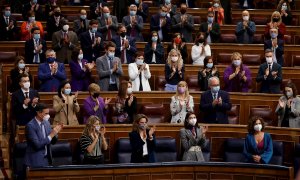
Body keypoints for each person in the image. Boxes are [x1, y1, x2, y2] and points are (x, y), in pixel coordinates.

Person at [23, 103, 63, 168]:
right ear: (39, 113)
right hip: (34, 161)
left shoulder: (46, 122)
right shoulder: (30, 126)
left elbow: (52, 142)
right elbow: (37, 145)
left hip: (47, 160)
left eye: (48, 113)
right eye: (46, 113)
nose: (48, 115)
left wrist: (56, 132)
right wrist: (52, 134)